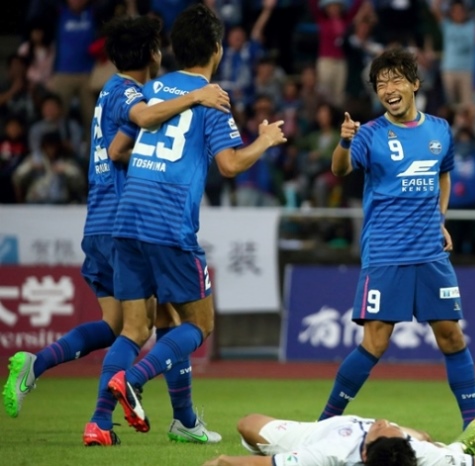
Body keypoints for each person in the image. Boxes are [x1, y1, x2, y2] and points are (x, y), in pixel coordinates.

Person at [1, 14, 230, 445]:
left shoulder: (111, 90)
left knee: (121, 324)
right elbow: (139, 124)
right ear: (152, 53)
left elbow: (118, 147)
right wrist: (196, 95)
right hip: (126, 221)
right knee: (144, 328)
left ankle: (42, 368)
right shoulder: (127, 91)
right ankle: (112, 417)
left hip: (103, 221)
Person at [102, 3, 286, 437]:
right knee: (199, 324)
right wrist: (265, 140)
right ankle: (133, 379)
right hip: (168, 222)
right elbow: (230, 165)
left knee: (144, 326)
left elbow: (117, 150)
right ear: (217, 49)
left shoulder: (155, 89)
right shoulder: (212, 98)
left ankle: (172, 421)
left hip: (127, 219)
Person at [321, 48, 475, 430]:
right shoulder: (369, 133)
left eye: (395, 80)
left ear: (415, 84)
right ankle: (323, 425)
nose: (388, 89)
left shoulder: (439, 129)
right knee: (375, 342)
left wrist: (440, 219)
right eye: (381, 84)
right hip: (385, 252)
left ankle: (471, 426)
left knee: (452, 336)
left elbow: (443, 175)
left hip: (429, 252)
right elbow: (339, 170)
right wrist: (344, 142)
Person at [202, 413, 475, 466]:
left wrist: (223, 461)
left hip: (316, 432)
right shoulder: (416, 454)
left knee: (247, 425)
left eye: (379, 428)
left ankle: (453, 448)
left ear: (365, 449)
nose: (381, 421)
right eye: (391, 426)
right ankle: (455, 449)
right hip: (422, 450)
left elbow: (265, 464)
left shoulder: (329, 453)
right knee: (429, 441)